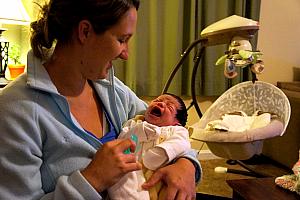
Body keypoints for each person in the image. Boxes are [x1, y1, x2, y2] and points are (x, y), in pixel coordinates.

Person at [0, 0, 201, 199]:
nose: (126, 54)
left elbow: (168, 130)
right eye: (122, 39)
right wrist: (93, 179)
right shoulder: (15, 110)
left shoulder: (113, 91)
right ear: (85, 31)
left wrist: (187, 164)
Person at [108, 93, 193, 199]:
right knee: (119, 178)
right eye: (157, 100)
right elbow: (122, 141)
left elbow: (182, 143)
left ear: (177, 122)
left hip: (159, 177)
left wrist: (162, 152)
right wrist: (138, 131)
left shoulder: (176, 130)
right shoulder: (134, 123)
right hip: (133, 168)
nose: (161, 103)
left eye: (169, 106)